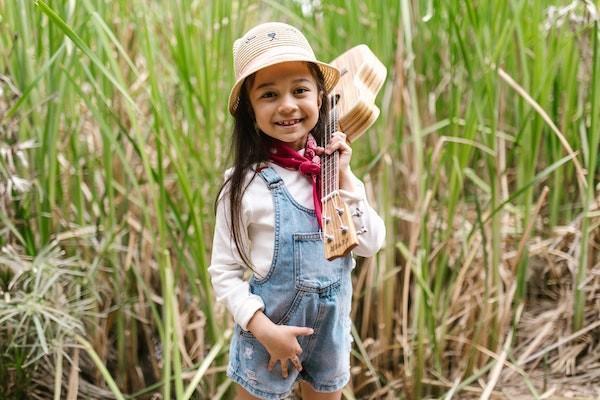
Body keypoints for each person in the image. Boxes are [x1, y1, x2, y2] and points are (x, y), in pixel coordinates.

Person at [208, 21, 386, 400]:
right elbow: (223, 272)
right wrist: (264, 330)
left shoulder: (332, 175)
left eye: (300, 90)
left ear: (321, 100)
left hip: (328, 335)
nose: (288, 104)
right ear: (250, 112)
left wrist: (347, 177)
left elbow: (371, 244)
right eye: (269, 94)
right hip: (266, 335)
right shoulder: (244, 187)